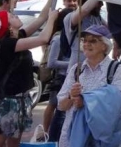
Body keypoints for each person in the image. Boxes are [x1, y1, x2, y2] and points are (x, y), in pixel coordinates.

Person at [0, 0, 57, 147]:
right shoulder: (7, 44)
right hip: (7, 101)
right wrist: (52, 19)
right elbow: (43, 38)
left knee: (13, 142)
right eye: (11, 16)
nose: (15, 14)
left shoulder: (19, 36)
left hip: (21, 99)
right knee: (0, 141)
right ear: (8, 26)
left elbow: (41, 18)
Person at [57, 24, 121, 147]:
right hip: (73, 139)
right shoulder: (76, 69)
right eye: (84, 41)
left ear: (104, 46)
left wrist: (86, 101)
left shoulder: (116, 70)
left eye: (92, 41)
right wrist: (71, 96)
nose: (87, 44)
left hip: (103, 140)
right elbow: (61, 105)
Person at [42, 8, 74, 141]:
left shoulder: (72, 37)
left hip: (69, 77)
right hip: (61, 78)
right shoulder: (58, 38)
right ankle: (49, 137)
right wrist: (72, 65)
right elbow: (51, 62)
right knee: (57, 109)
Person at [63, 0, 105, 71]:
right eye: (98, 1)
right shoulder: (71, 17)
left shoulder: (97, 18)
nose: (102, 4)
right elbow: (84, 10)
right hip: (77, 73)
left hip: (96, 71)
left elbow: (112, 31)